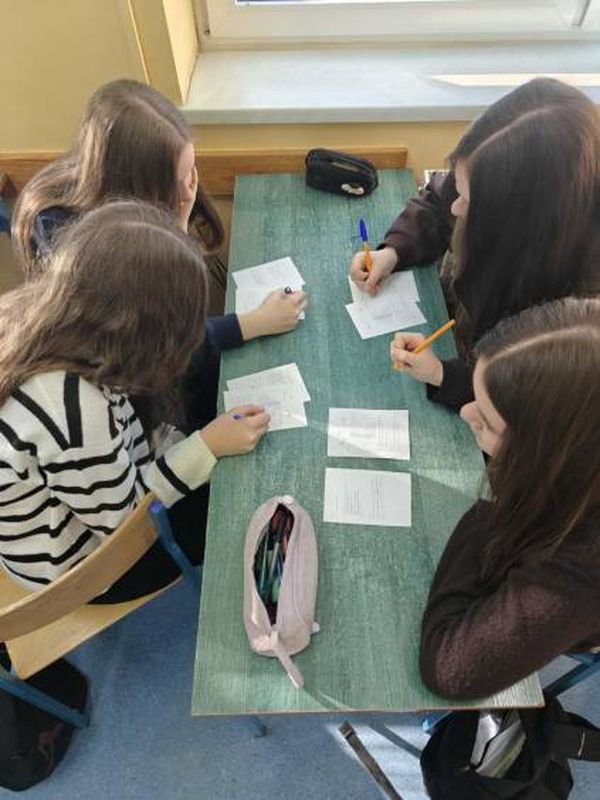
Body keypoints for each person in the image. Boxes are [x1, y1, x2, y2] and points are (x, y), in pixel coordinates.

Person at [0, 201, 269, 602]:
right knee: (236, 507)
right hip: (82, 570)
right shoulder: (75, 405)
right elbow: (124, 528)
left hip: (91, 506)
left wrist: (192, 441)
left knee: (212, 449)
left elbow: (124, 437)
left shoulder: (62, 325)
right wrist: (206, 446)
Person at [10, 79, 306, 428]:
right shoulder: (68, 239)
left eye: (191, 171)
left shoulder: (142, 194)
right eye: (179, 180)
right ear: (137, 184)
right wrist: (252, 323)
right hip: (137, 394)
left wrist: (177, 220)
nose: (189, 187)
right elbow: (161, 334)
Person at [419, 297, 600, 699]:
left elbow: (449, 668)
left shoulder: (581, 565)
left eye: (486, 420)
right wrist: (444, 375)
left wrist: (488, 510)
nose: (467, 413)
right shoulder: (582, 440)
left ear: (544, 453)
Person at [387, 84, 600, 410]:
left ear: (518, 223)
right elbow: (440, 202)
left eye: (468, 201)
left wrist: (444, 374)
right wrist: (393, 251)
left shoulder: (574, 314)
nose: (456, 207)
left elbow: (529, 397)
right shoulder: (494, 179)